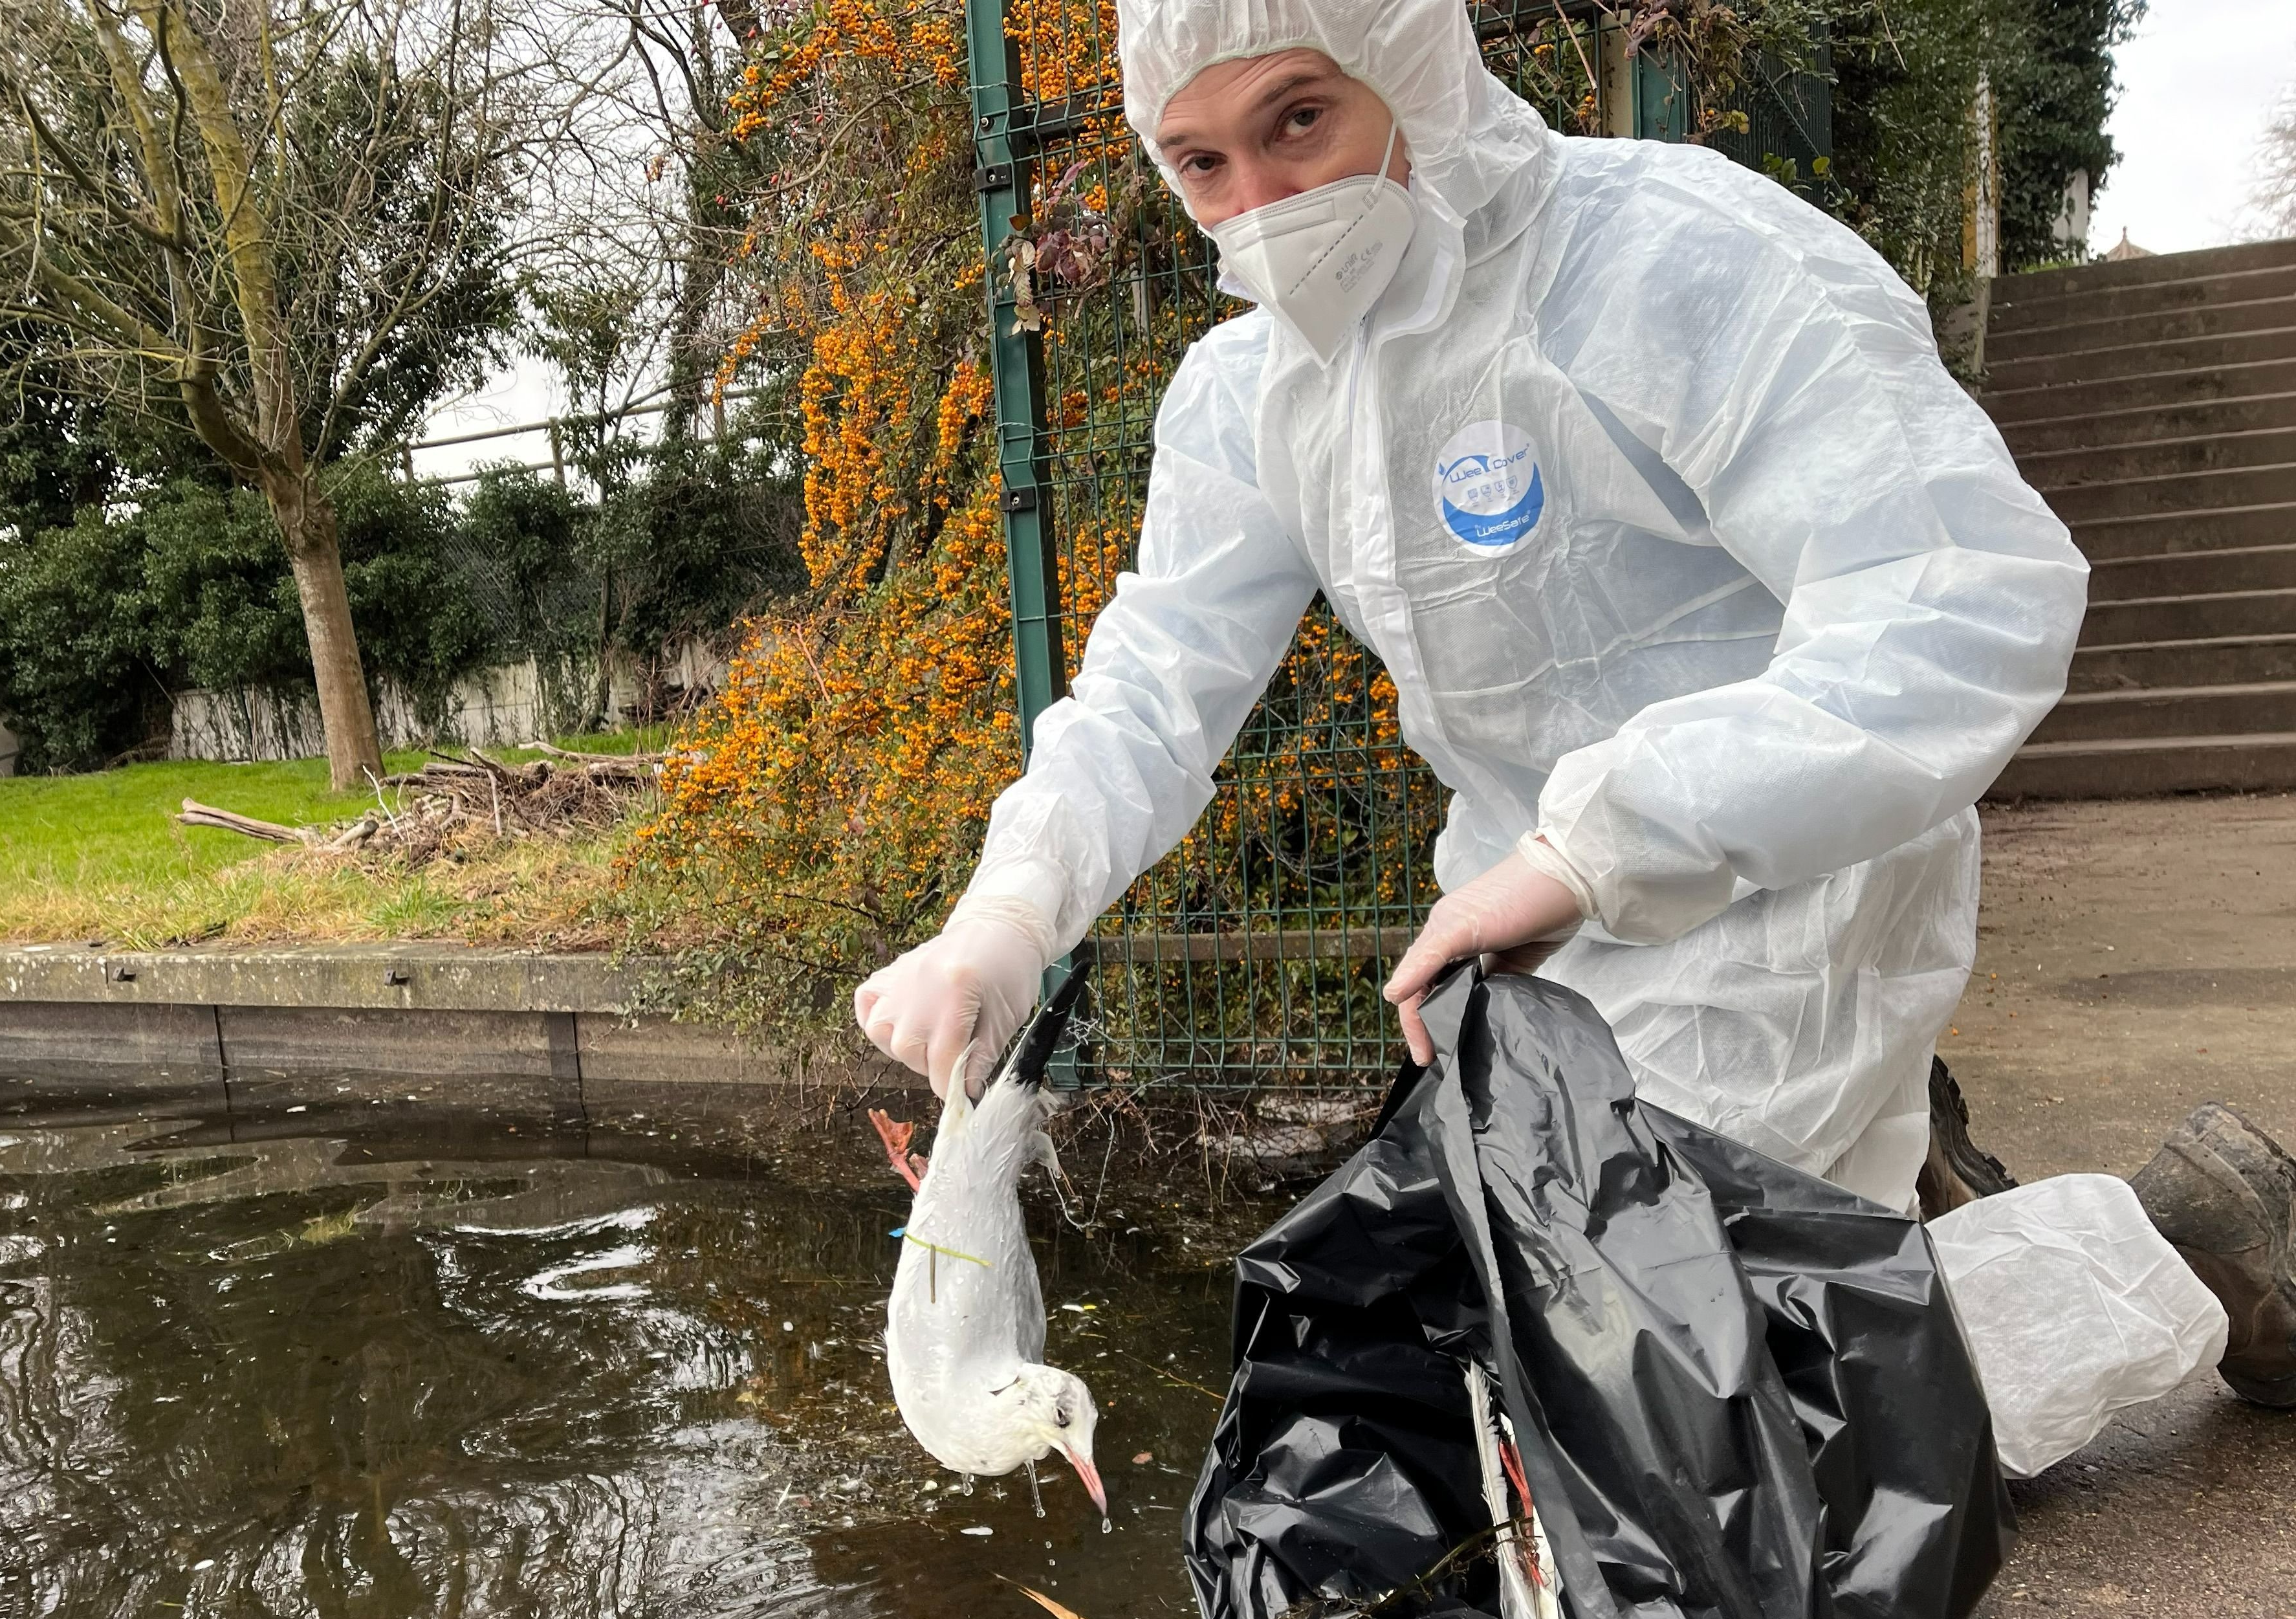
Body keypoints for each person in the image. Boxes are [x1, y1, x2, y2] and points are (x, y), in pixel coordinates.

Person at [854, 0, 2296, 1416]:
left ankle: (2187, 1249)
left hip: (1786, 893)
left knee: (1716, 1432)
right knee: (1544, 1378)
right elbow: (1155, 684)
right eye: (1202, 160)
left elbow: (1960, 589)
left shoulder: (1671, 256)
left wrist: (1607, 842)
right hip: (1520, 932)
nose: (1261, 198)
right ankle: (1883, 1208)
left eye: (1300, 117)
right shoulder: (1257, 393)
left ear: (1411, 72)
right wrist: (1011, 912)